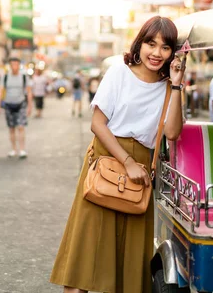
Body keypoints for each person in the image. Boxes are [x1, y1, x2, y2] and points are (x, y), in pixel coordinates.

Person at [50, 16, 185, 292]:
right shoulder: (119, 73)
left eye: (165, 47)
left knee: (130, 272)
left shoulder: (168, 87)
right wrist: (127, 162)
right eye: (151, 43)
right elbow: (97, 124)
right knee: (81, 269)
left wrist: (177, 84)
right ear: (140, 43)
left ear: (174, 53)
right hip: (106, 165)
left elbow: (172, 132)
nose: (156, 53)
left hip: (139, 179)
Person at [0, 57, 33, 159]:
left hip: (20, 103)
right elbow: (0, 91)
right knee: (11, 128)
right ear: (10, 66)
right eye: (12, 65)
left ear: (19, 65)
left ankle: (22, 149)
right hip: (8, 104)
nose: (14, 67)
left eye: (16, 65)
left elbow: (29, 92)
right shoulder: (5, 77)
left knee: (21, 127)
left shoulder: (24, 77)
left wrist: (30, 106)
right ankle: (13, 149)